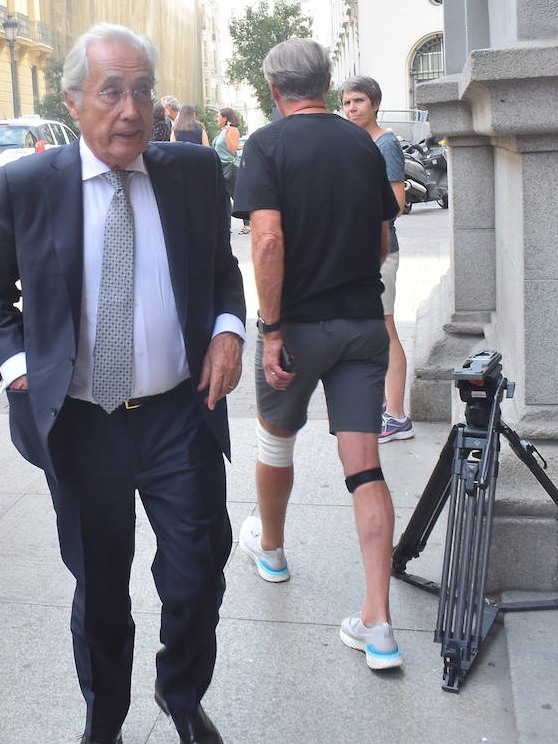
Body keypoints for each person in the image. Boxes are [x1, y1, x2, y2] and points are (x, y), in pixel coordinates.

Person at [0, 23, 245, 744]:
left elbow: (222, 270)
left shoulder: (191, 173)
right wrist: (21, 371)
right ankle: (105, 720)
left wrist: (228, 329)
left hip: (177, 416)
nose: (131, 109)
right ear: (74, 101)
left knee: (196, 577)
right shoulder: (29, 183)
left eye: (142, 91)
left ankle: (180, 693)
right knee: (101, 590)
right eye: (112, 91)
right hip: (83, 422)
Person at [231, 39, 403, 671]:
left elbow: (267, 239)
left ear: (275, 91)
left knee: (276, 438)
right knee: (364, 464)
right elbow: (382, 235)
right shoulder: (362, 142)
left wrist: (272, 327)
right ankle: (379, 624)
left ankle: (271, 550)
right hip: (362, 322)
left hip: (298, 325)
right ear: (327, 87)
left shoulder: (267, 145)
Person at [341, 76, 413, 442]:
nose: (352, 108)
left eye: (359, 101)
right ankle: (386, 409)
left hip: (383, 252)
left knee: (385, 331)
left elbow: (396, 203)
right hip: (362, 253)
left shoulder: (385, 144)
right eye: (347, 102)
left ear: (375, 104)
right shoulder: (356, 142)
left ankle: (397, 416)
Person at [211, 107, 242, 205]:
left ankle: (248, 219)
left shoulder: (232, 130)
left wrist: (227, 134)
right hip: (220, 167)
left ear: (225, 118)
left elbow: (233, 149)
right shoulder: (221, 131)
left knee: (237, 197)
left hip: (230, 168)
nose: (217, 118)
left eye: (218, 116)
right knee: (222, 199)